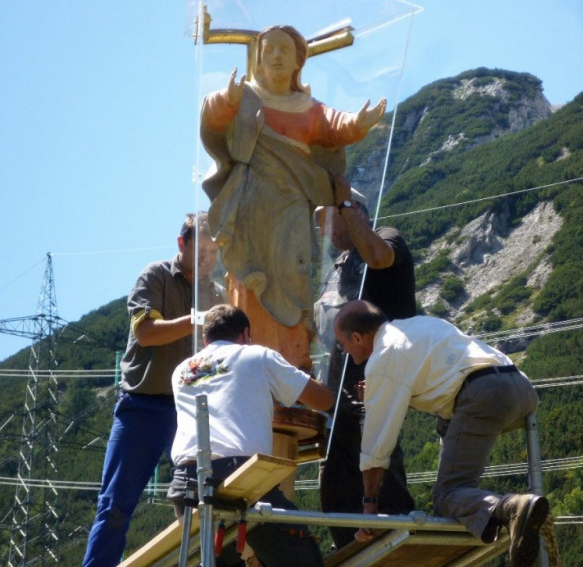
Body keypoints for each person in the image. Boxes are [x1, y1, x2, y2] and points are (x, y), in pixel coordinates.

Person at [200, 24, 386, 369]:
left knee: (295, 285)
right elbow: (213, 114)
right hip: (250, 210)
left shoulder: (306, 106)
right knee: (249, 283)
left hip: (292, 214)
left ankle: (292, 371)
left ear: (299, 60)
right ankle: (251, 368)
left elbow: (333, 125)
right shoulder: (245, 97)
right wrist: (227, 100)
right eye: (268, 49)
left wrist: (358, 123)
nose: (275, 56)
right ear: (258, 57)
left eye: (284, 49)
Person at [333, 300, 548, 567]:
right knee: (445, 428)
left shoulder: (382, 358)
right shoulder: (420, 325)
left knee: (448, 496)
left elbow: (377, 446)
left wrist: (369, 507)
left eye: (343, 344)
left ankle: (510, 509)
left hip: (483, 394)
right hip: (519, 388)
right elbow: (439, 382)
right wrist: (380, 391)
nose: (344, 351)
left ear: (357, 336)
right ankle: (499, 512)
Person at [82, 213, 225, 567]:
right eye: (201, 249)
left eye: (214, 251)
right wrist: (196, 320)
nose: (208, 258)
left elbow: (221, 360)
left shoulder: (219, 294)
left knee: (205, 500)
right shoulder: (155, 276)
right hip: (142, 408)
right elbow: (147, 332)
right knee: (115, 505)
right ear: (182, 244)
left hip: (191, 412)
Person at [167, 304, 335, 567]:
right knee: (299, 554)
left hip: (186, 483)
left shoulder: (181, 371)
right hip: (239, 477)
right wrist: (299, 376)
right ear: (245, 333)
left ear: (205, 339)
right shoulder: (257, 355)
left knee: (219, 560)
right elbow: (322, 400)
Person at [313, 174, 415, 549]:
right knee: (335, 485)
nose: (321, 229)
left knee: (380, 472)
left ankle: (397, 548)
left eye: (326, 218)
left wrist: (342, 203)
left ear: (352, 210)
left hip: (377, 384)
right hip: (336, 398)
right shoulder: (335, 268)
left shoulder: (386, 237)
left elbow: (378, 257)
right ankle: (350, 551)